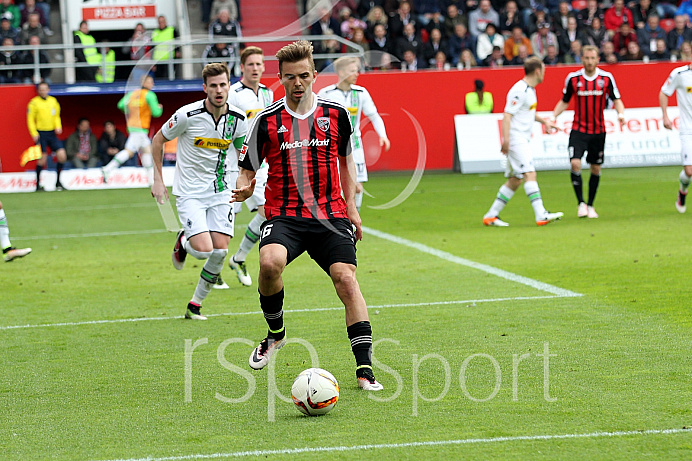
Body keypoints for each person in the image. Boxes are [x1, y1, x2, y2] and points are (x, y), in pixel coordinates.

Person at [233, 40, 383, 391]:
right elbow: (247, 168)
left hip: (330, 214)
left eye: (304, 75)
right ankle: (275, 334)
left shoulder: (337, 114)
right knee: (269, 264)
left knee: (346, 280)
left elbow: (347, 163)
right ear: (280, 79)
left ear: (314, 75)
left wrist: (353, 209)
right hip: (284, 214)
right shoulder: (266, 121)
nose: (297, 83)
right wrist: (243, 186)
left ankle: (365, 370)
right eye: (289, 77)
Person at [151, 62, 248, 320]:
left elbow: (242, 151)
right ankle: (184, 240)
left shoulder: (238, 119)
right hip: (190, 191)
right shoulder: (186, 115)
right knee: (204, 249)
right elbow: (158, 140)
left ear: (229, 86)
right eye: (213, 85)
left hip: (221, 189)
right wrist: (158, 179)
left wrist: (244, 177)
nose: (219, 90)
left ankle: (195, 305)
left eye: (223, 84)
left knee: (221, 250)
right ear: (205, 88)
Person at [482, 57, 563, 227]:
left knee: (515, 180)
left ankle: (491, 216)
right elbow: (507, 115)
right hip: (516, 140)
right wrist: (506, 140)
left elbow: (527, 112)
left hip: (521, 138)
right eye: (544, 70)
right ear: (537, 71)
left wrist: (545, 122)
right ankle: (541, 214)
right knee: (529, 173)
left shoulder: (530, 90)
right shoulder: (519, 90)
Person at [551, 45, 626, 218]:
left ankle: (591, 205)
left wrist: (620, 114)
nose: (590, 61)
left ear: (598, 59)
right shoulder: (573, 78)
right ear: (582, 59)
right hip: (578, 129)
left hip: (598, 131)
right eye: (587, 58)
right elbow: (564, 100)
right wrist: (553, 116)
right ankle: (581, 204)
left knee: (595, 168)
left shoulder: (606, 78)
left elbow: (617, 99)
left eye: (593, 58)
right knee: (575, 163)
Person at [225, 46, 275, 288]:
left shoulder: (267, 93)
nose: (256, 68)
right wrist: (240, 157)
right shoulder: (233, 93)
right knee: (225, 221)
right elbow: (229, 128)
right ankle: (212, 266)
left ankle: (239, 258)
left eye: (259, 64)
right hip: (234, 166)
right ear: (242, 67)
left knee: (266, 211)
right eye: (251, 64)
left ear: (264, 66)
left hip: (260, 165)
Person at [318, 55, 391, 211]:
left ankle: (352, 222)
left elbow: (374, 116)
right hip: (332, 148)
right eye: (352, 70)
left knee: (357, 188)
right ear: (341, 71)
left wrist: (382, 135)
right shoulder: (326, 94)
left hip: (355, 146)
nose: (357, 73)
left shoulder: (361, 93)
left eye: (357, 70)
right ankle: (337, 221)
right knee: (335, 188)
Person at [102, 75, 163, 184]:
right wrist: (159, 108)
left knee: (147, 151)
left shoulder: (132, 94)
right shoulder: (149, 95)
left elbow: (120, 105)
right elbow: (156, 113)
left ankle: (151, 180)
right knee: (129, 152)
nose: (152, 84)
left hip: (132, 126)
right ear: (144, 83)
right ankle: (108, 168)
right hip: (141, 128)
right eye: (150, 82)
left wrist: (131, 110)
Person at [659, 63, 692, 213]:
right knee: (689, 171)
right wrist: (665, 116)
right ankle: (682, 192)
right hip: (688, 129)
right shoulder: (680, 74)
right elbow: (664, 92)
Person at [27, 82, 67, 191]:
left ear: (48, 90)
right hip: (41, 133)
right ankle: (37, 185)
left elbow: (56, 116)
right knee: (42, 159)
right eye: (41, 89)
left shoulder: (53, 101)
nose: (43, 91)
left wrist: (58, 126)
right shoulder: (34, 103)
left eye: (45, 89)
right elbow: (30, 120)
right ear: (38, 91)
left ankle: (58, 182)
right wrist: (34, 133)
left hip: (52, 133)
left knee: (62, 155)